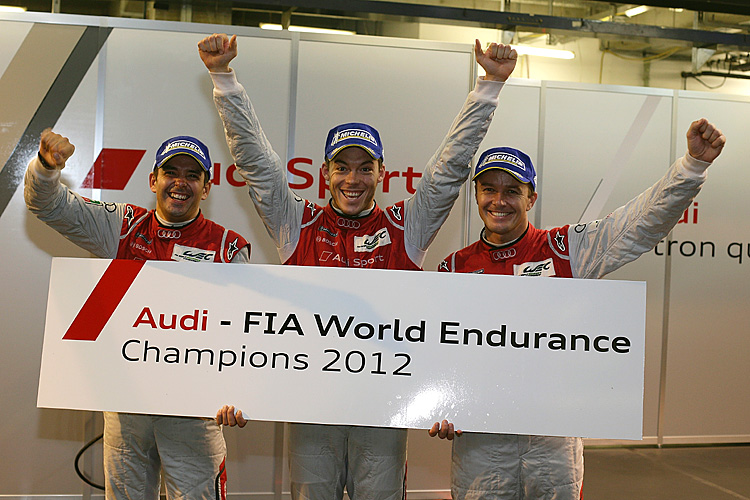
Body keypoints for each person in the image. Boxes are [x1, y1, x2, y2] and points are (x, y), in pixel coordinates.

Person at [198, 33, 516, 500]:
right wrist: (224, 79)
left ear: (381, 173)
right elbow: (257, 163)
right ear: (324, 172)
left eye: (364, 167)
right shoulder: (297, 224)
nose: (353, 179)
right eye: (342, 167)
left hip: (382, 410)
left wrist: (488, 86)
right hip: (312, 410)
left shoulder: (406, 226)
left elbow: (449, 168)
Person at [428, 118, 726, 500]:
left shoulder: (564, 249)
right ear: (477, 195)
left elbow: (637, 225)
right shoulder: (453, 267)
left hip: (552, 436)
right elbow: (436, 352)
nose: (498, 201)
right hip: (482, 436)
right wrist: (439, 400)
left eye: (512, 191)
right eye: (488, 190)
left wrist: (691, 167)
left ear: (531, 197)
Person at [25, 129, 251, 500]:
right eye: (170, 172)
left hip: (194, 412)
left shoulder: (228, 247)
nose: (180, 183)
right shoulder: (123, 225)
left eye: (193, 175)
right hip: (127, 406)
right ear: (153, 180)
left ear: (207, 188)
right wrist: (47, 169)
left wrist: (241, 392)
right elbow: (48, 205)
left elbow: (245, 334)